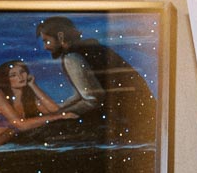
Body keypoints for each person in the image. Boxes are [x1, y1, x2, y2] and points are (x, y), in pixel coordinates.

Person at [36, 15, 154, 143]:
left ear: (60, 37)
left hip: (121, 116)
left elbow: (92, 100)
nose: (45, 47)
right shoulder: (95, 48)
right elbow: (83, 93)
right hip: (137, 110)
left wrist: (59, 115)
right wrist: (61, 109)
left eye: (47, 41)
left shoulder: (72, 57)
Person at [0, 59, 77, 149]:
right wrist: (60, 117)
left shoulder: (28, 99)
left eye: (22, 72)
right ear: (6, 79)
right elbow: (20, 125)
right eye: (13, 75)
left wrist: (33, 85)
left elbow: (56, 110)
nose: (20, 77)